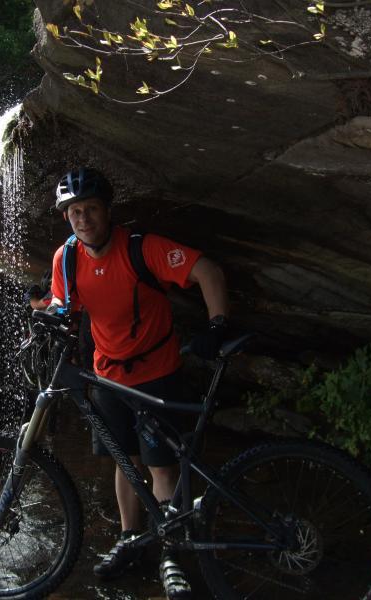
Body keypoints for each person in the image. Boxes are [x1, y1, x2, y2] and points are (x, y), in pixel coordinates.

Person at [48, 167, 228, 600]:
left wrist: (218, 324)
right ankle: (131, 537)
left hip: (157, 375)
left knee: (162, 465)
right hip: (106, 375)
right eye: (75, 211)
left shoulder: (140, 249)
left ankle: (172, 553)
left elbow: (207, 270)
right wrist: (49, 313)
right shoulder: (67, 258)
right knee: (123, 460)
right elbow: (62, 301)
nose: (83, 218)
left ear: (107, 211)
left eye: (90, 208)